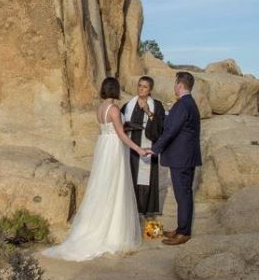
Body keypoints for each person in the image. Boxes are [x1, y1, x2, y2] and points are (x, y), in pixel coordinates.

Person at [43, 77, 149, 261]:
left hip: (104, 146)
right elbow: (121, 135)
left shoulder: (100, 108)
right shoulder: (114, 109)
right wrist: (138, 148)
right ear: (114, 90)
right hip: (114, 148)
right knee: (115, 186)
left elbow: (109, 128)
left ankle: (96, 224)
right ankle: (113, 234)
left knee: (103, 185)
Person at [151, 71, 202, 245]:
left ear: (180, 86)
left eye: (175, 84)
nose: (174, 87)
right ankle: (181, 228)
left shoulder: (182, 105)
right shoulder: (190, 103)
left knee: (183, 195)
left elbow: (171, 130)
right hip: (187, 157)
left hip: (181, 158)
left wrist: (155, 149)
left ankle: (184, 233)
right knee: (184, 194)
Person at [121, 76, 166, 218]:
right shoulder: (128, 105)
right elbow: (121, 124)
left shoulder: (157, 105)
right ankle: (133, 212)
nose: (141, 88)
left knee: (148, 180)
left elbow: (160, 127)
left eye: (145, 86)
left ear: (150, 89)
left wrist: (148, 111)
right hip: (133, 147)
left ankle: (147, 212)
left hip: (149, 146)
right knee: (132, 177)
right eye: (139, 85)